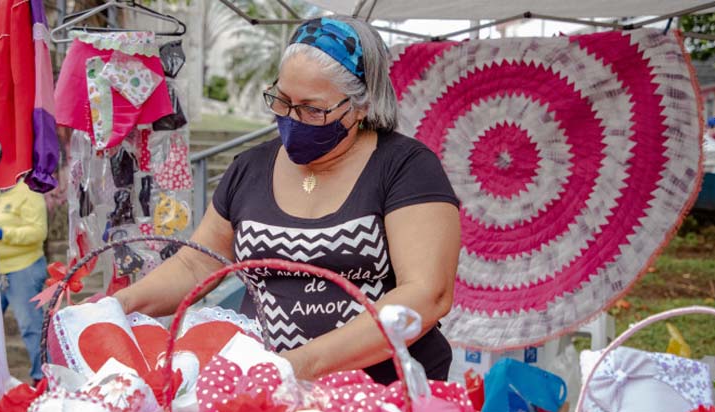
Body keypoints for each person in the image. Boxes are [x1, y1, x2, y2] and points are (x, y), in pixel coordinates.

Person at [116, 16, 461, 385]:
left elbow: (426, 294)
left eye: (313, 109)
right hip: (267, 393)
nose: (292, 119)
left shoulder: (406, 168)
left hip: (385, 400)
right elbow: (195, 266)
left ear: (362, 105)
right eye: (282, 101)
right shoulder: (249, 168)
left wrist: (298, 365)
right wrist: (121, 305)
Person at [0, 180, 48, 384]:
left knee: (30, 326)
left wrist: (3, 234)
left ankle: (42, 379)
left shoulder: (29, 191)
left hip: (23, 267)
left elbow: (39, 232)